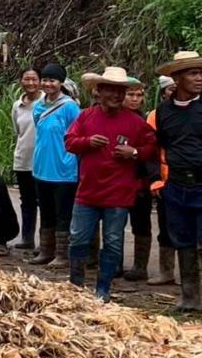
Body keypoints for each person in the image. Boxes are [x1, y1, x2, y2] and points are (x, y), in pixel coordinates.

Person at [63, 66, 157, 300]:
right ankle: (75, 287)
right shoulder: (86, 116)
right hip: (87, 192)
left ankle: (103, 290)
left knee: (113, 243)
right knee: (78, 239)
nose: (116, 95)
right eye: (111, 90)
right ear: (99, 91)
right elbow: (70, 141)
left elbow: (151, 147)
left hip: (119, 194)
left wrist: (133, 152)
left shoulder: (135, 122)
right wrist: (87, 141)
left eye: (120, 91)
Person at [153, 50, 202, 312]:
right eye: (193, 73)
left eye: (201, 73)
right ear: (177, 78)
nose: (199, 78)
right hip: (177, 186)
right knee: (182, 240)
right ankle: (189, 297)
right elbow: (159, 147)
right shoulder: (163, 112)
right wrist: (158, 182)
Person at [29, 63, 81, 266]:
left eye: (53, 80)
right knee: (47, 210)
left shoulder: (69, 107)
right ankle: (45, 250)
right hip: (42, 166)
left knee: (63, 212)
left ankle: (62, 255)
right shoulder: (39, 105)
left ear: (61, 83)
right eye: (46, 80)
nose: (48, 84)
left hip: (64, 168)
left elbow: (76, 134)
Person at [121, 77, 153, 280]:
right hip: (117, 180)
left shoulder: (144, 121)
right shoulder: (114, 118)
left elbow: (151, 151)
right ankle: (114, 263)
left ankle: (140, 266)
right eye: (130, 95)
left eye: (138, 95)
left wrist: (134, 153)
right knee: (114, 224)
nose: (134, 99)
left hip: (140, 180)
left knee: (141, 223)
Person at [147, 76, 177, 285]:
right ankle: (166, 272)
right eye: (170, 88)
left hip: (195, 180)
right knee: (166, 227)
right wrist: (156, 178)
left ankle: (191, 276)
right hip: (167, 180)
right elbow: (150, 150)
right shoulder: (156, 115)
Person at [10, 67, 43, 251]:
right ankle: (27, 238)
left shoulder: (46, 103)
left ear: (40, 81)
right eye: (26, 79)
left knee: (45, 202)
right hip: (23, 159)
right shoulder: (17, 105)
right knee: (27, 201)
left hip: (43, 161)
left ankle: (45, 243)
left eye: (34, 79)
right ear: (21, 81)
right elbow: (18, 131)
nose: (30, 83)